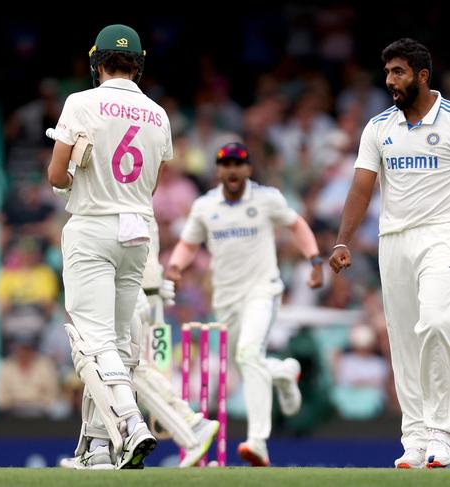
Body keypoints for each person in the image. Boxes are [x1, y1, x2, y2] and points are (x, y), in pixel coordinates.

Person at [46, 24, 173, 469]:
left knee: (90, 340)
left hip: (93, 225)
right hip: (137, 231)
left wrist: (78, 176)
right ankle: (98, 448)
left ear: (96, 61)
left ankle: (129, 424)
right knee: (117, 343)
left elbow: (56, 176)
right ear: (138, 65)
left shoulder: (80, 103)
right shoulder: (158, 113)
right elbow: (153, 181)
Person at [329, 38, 450, 469]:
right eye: (387, 73)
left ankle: (441, 432)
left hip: (441, 235)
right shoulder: (378, 127)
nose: (390, 82)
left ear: (422, 76)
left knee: (436, 324)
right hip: (392, 240)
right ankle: (415, 440)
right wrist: (343, 240)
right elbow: (361, 188)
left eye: (398, 73)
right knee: (403, 341)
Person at [166, 142, 323, 467]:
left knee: (248, 354)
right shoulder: (205, 206)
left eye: (239, 164)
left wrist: (314, 259)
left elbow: (296, 225)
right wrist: (176, 267)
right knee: (247, 363)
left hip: (262, 291)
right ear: (218, 171)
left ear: (248, 169)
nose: (232, 170)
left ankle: (257, 441)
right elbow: (188, 243)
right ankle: (283, 371)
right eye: (226, 165)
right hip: (225, 298)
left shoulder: (266, 199)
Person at [59, 218, 220, 468]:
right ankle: (99, 447)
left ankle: (186, 425)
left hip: (135, 286)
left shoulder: (118, 192)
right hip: (138, 283)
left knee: (113, 360)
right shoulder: (132, 191)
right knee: (112, 360)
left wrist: (149, 290)